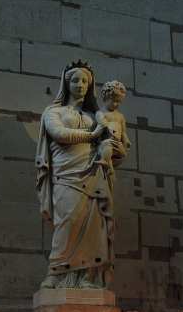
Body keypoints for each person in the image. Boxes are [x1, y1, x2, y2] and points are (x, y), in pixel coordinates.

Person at [35, 60, 127, 289]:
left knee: (95, 227)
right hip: (66, 174)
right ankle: (56, 273)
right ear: (66, 84)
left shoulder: (95, 115)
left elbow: (113, 143)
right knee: (68, 221)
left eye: (85, 81)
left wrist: (115, 147)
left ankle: (88, 277)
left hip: (95, 173)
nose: (80, 84)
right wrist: (92, 135)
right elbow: (59, 133)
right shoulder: (53, 111)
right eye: (75, 80)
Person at [95, 80, 130, 178]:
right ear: (105, 98)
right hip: (107, 140)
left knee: (120, 152)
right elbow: (102, 124)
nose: (116, 104)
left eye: (119, 102)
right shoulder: (101, 113)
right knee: (106, 147)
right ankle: (106, 163)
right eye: (114, 101)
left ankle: (108, 164)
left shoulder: (120, 116)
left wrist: (126, 140)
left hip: (117, 143)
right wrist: (107, 128)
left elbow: (123, 132)